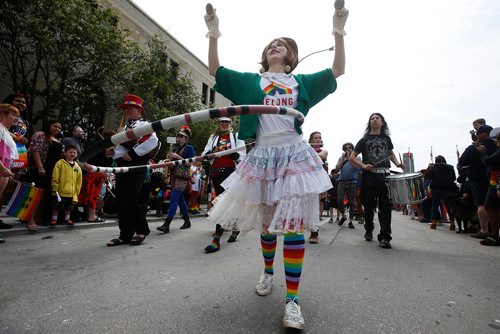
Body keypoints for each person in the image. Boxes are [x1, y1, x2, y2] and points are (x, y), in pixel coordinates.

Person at [203, 2, 347, 329]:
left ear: (291, 56)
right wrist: (214, 34)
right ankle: (268, 272)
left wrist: (338, 32)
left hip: (294, 157)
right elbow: (215, 70)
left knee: (294, 226)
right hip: (263, 159)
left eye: (281, 44)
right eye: (270, 45)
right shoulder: (250, 82)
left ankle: (293, 300)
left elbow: (337, 70)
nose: (274, 46)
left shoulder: (301, 84)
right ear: (265, 55)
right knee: (269, 227)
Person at [105, 94, 158, 246]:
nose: (127, 111)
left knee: (131, 198)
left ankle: (142, 230)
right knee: (121, 199)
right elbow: (120, 149)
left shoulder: (144, 125)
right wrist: (112, 152)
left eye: (130, 108)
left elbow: (153, 141)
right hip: (123, 165)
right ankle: (125, 234)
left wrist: (133, 153)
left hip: (137, 164)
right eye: (125, 109)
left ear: (139, 112)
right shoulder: (123, 127)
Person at [349, 113, 404, 249]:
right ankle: (369, 228)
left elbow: (390, 153)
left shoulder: (387, 138)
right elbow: (352, 157)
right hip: (369, 176)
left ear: (382, 122)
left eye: (377, 118)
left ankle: (385, 237)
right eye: (372, 118)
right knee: (368, 205)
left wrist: (397, 164)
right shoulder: (364, 140)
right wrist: (363, 166)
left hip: (385, 175)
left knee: (385, 206)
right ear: (370, 123)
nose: (374, 120)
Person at [202, 117, 247, 253]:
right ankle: (236, 226)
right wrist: (210, 153)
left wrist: (234, 155)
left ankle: (217, 239)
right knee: (223, 203)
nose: (224, 124)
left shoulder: (236, 136)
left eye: (226, 122)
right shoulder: (213, 137)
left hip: (230, 173)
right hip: (215, 172)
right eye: (221, 122)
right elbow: (205, 153)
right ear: (218, 123)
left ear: (230, 124)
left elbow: (242, 154)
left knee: (224, 203)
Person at [459, 124, 496, 240]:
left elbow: (462, 161)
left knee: (481, 205)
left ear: (484, 134)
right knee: (494, 206)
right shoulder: (496, 145)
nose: (477, 135)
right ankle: (494, 230)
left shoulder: (473, 148)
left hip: (478, 179)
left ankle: (484, 230)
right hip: (494, 177)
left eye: (478, 133)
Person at [157, 126, 195, 234]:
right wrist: (169, 158)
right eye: (178, 136)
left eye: (181, 136)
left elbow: (189, 163)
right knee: (180, 200)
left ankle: (167, 224)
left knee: (173, 198)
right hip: (174, 177)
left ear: (186, 138)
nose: (179, 138)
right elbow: (172, 163)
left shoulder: (189, 148)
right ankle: (187, 221)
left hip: (183, 178)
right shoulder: (175, 148)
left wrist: (177, 157)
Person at [27, 119, 63, 228]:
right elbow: (34, 150)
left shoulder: (57, 139)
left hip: (52, 171)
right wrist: (40, 167)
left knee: (44, 195)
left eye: (59, 127)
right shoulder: (40, 135)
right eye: (55, 126)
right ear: (49, 126)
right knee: (37, 194)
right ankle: (30, 220)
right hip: (42, 169)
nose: (57, 129)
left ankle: (37, 217)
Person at [49, 145, 82, 226]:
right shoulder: (60, 163)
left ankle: (67, 219)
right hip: (60, 191)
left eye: (74, 152)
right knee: (56, 206)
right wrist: (55, 187)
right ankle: (54, 219)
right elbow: (55, 176)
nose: (72, 154)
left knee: (69, 207)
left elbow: (79, 180)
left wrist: (77, 191)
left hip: (71, 192)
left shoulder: (77, 166)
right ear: (65, 153)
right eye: (70, 152)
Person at [478, 127, 500, 246]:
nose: (496, 141)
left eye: (497, 138)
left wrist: (482, 152)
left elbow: (488, 161)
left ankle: (495, 235)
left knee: (490, 206)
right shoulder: (497, 149)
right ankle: (495, 234)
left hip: (496, 181)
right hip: (494, 180)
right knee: (490, 206)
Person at [0, 104, 20, 231]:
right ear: (2, 114)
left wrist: (8, 171)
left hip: (4, 172)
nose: (16, 118)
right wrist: (3, 169)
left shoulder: (5, 131)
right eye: (13, 115)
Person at [424, 155, 458, 230]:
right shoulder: (451, 167)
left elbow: (429, 177)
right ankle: (452, 223)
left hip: (437, 188)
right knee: (449, 206)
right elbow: (454, 178)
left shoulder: (433, 167)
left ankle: (434, 223)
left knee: (435, 206)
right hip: (448, 188)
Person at [335, 142, 361, 229]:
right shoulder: (341, 158)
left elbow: (356, 168)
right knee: (339, 200)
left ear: (353, 149)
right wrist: (342, 159)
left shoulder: (358, 157)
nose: (348, 149)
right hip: (342, 181)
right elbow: (337, 169)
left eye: (350, 148)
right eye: (346, 148)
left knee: (351, 202)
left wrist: (350, 158)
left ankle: (351, 221)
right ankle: (343, 215)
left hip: (353, 181)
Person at [308, 131, 328, 243]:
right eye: (315, 138)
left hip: (317, 180)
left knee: (315, 205)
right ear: (311, 140)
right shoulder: (306, 150)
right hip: (307, 179)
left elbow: (321, 156)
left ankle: (314, 232)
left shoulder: (323, 151)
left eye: (320, 137)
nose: (318, 139)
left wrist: (306, 151)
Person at [3, 93, 29, 174]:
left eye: (23, 102)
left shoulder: (25, 121)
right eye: (17, 101)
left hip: (15, 152)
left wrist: (22, 161)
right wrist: (16, 137)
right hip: (3, 148)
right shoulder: (3, 114)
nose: (21, 103)